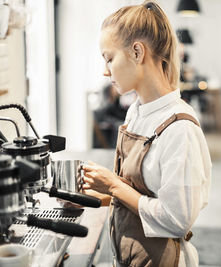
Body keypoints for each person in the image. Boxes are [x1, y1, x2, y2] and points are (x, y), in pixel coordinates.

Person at [81, 1, 212, 267]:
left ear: (137, 52)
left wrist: (114, 185)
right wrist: (93, 198)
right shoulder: (137, 113)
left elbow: (176, 220)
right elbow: (141, 193)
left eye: (109, 58)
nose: (105, 71)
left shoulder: (180, 129)